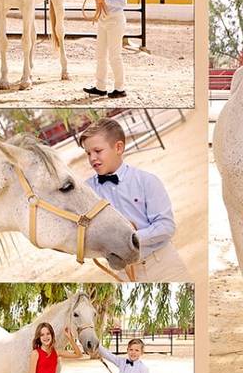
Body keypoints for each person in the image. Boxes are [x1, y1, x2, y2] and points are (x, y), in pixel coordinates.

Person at [80, 117, 190, 281]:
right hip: (126, 273)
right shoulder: (87, 191)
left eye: (98, 151)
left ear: (118, 147)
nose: (92, 158)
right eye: (88, 153)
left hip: (163, 264)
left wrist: (130, 239)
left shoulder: (147, 181)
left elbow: (166, 226)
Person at [49, 0, 128, 98]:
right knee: (100, 54)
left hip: (115, 21)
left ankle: (120, 88)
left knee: (114, 55)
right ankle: (100, 86)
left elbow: (122, 2)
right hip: (104, 20)